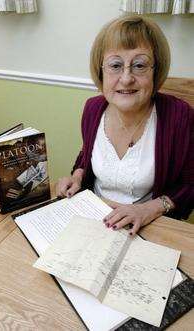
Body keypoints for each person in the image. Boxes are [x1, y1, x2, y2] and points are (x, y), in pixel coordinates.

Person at [56, 15, 194, 235]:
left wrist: (148, 209)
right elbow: (86, 153)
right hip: (94, 218)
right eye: (115, 65)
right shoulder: (92, 109)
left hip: (148, 227)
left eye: (139, 65)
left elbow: (190, 185)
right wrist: (77, 176)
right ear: (101, 71)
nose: (127, 78)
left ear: (156, 70)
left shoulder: (179, 115)